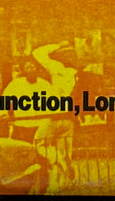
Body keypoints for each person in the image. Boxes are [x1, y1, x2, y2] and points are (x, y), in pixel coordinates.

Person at [33, 41, 78, 189]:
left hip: (54, 115)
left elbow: (37, 53)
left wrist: (57, 45)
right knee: (65, 151)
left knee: (40, 143)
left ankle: (59, 163)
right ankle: (61, 184)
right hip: (69, 117)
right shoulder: (75, 74)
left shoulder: (57, 68)